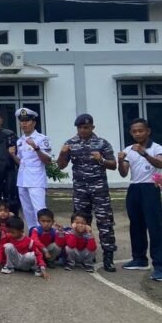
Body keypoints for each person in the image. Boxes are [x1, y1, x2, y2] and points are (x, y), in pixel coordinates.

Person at [56, 113, 117, 272]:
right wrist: (62, 153)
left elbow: (113, 165)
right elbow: (61, 166)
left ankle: (108, 256)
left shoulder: (102, 143)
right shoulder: (70, 143)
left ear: (92, 127)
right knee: (81, 222)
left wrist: (101, 159)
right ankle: (85, 252)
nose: (82, 130)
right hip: (80, 189)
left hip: (99, 188)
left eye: (86, 127)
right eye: (80, 127)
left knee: (105, 222)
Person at [117, 118, 162, 281]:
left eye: (140, 130)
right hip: (134, 188)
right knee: (136, 224)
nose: (137, 134)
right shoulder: (128, 149)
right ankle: (139, 259)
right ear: (131, 133)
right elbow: (124, 173)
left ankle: (160, 266)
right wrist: (120, 160)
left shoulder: (157, 148)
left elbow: (160, 164)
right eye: (134, 131)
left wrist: (144, 153)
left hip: (150, 188)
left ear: (148, 131)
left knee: (154, 226)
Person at [13, 108, 52, 232]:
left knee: (39, 210)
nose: (24, 124)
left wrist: (36, 148)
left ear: (34, 123)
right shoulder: (20, 141)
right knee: (27, 211)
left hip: (36, 180)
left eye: (27, 121)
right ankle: (33, 234)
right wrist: (12, 155)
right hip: (22, 180)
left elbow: (47, 160)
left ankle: (43, 235)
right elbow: (21, 161)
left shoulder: (41, 139)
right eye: (21, 121)